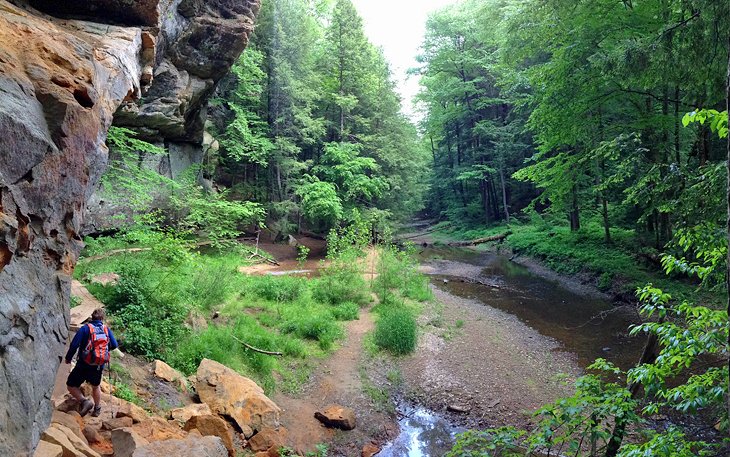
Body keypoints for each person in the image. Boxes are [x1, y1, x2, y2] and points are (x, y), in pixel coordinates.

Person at [65, 308, 118, 417]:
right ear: (102, 319)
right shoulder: (106, 329)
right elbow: (114, 344)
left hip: (83, 364)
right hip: (98, 365)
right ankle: (97, 408)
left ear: (91, 318)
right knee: (96, 386)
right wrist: (102, 351)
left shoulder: (85, 329)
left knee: (71, 385)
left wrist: (68, 358)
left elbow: (74, 345)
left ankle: (84, 401)